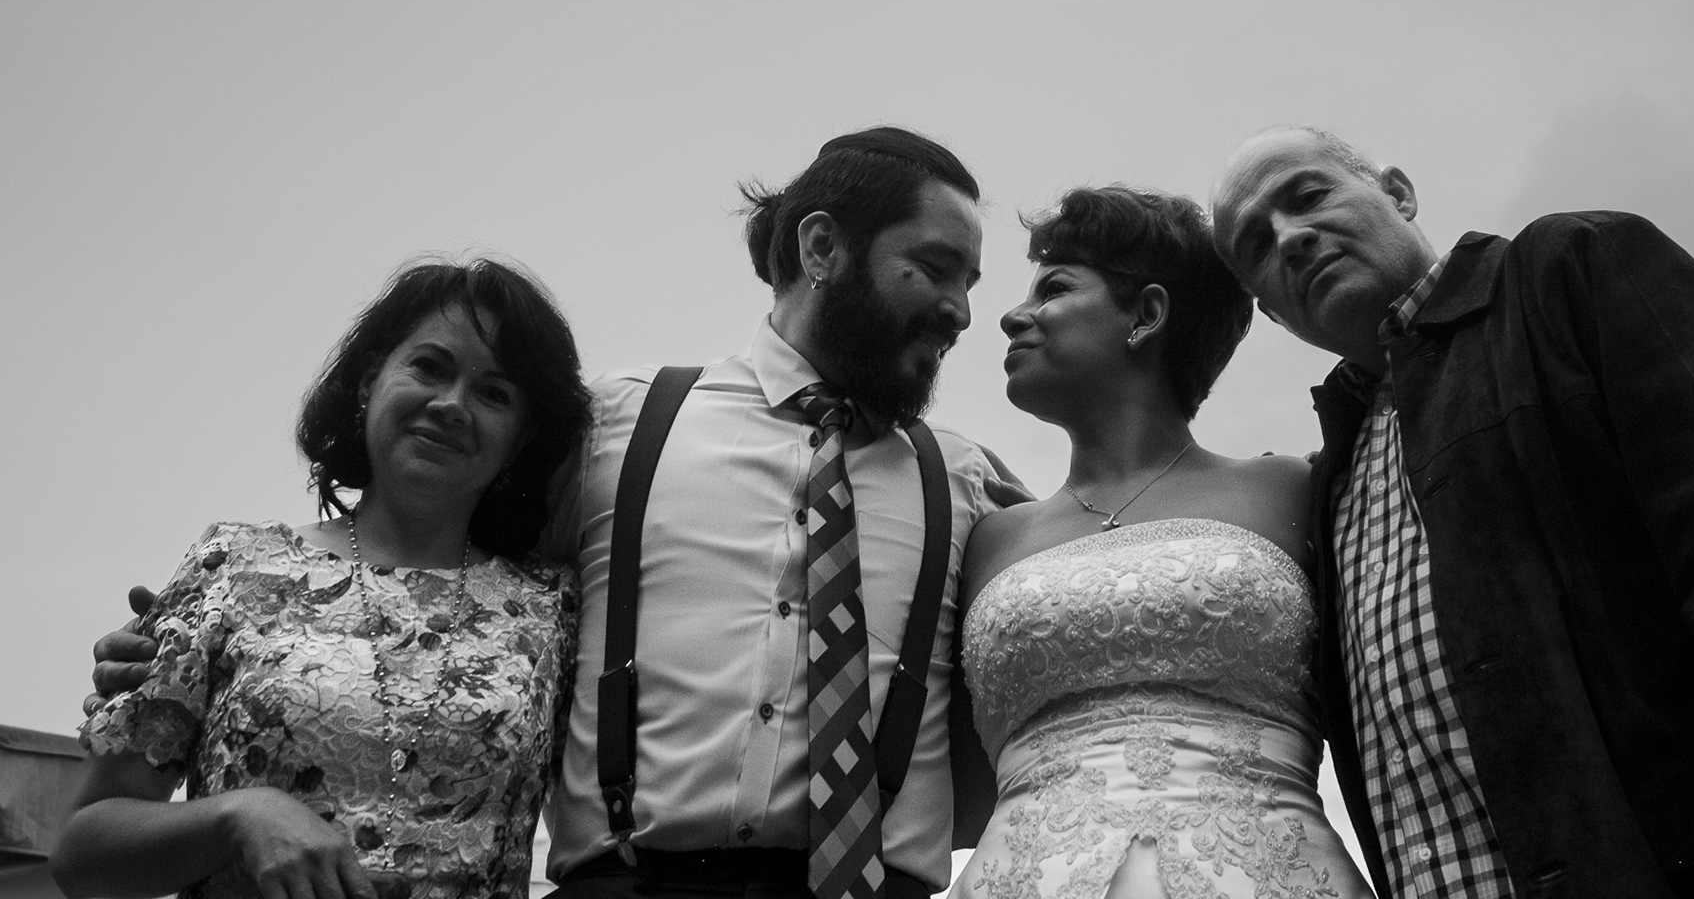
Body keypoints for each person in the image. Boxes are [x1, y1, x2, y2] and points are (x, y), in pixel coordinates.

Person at [87, 128, 1024, 899]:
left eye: (971, 285)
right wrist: (194, 650)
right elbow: (424, 556)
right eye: (934, 268)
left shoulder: (970, 483)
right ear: (821, 249)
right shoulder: (616, 424)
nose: (960, 311)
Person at [1208, 125, 1694, 899]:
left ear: (1399, 193)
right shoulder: (1330, 483)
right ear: (1273, 315)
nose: (1291, 237)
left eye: (1308, 196)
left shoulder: (1567, 272)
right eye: (1257, 244)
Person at [55, 258, 593, 899]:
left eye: (494, 393)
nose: (452, 404)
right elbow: (83, 855)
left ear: (520, 440)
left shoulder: (554, 609)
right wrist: (240, 817)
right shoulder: (233, 568)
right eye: (430, 367)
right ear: (370, 382)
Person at [955, 186, 1374, 898]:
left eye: (1054, 289)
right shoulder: (988, 538)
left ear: (1146, 314)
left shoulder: (1292, 491)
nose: (1011, 316)